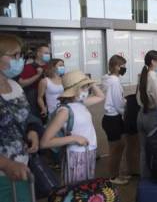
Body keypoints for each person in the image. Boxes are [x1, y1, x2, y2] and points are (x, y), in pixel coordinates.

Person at [40, 70, 105, 184]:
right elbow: (45, 142)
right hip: (76, 156)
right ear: (73, 90)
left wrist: (91, 83)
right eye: (83, 87)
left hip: (88, 152)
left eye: (86, 87)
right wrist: (74, 138)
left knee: (86, 190)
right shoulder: (65, 111)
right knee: (75, 191)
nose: (87, 90)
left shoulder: (80, 103)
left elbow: (100, 96)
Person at [0, 34, 41, 202]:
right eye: (14, 55)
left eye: (20, 55)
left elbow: (27, 116)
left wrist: (32, 131)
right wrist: (7, 164)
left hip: (22, 168)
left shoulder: (15, 86)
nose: (20, 60)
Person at [102, 55, 133, 185]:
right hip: (112, 118)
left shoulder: (108, 78)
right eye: (122, 66)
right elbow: (117, 102)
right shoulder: (114, 81)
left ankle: (117, 173)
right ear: (115, 66)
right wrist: (125, 109)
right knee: (115, 149)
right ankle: (113, 177)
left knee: (120, 146)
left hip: (112, 118)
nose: (124, 68)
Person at [136, 50, 157, 178]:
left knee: (143, 150)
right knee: (155, 149)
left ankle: (144, 178)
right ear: (153, 62)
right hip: (152, 117)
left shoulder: (143, 75)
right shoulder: (153, 79)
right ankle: (154, 178)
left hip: (141, 115)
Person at [19, 44, 51, 119]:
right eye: (46, 53)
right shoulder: (28, 67)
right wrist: (37, 75)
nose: (48, 55)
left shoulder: (50, 68)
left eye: (49, 53)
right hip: (33, 99)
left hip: (48, 99)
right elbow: (22, 84)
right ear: (38, 53)